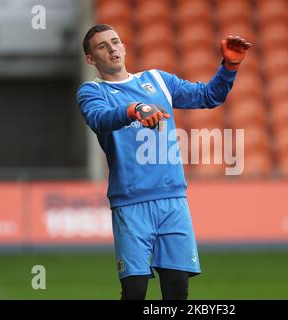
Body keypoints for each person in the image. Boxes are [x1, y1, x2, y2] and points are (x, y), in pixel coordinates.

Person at [77, 24, 251, 300]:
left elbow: (209, 96)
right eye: (102, 46)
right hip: (131, 203)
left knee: (177, 291)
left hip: (173, 201)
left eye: (115, 42)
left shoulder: (157, 80)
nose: (111, 49)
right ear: (90, 59)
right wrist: (133, 110)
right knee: (134, 292)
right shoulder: (92, 91)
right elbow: (99, 119)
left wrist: (229, 66)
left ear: (123, 46)